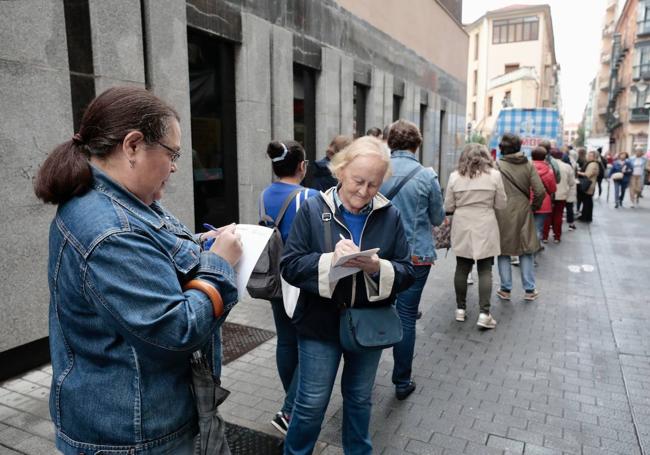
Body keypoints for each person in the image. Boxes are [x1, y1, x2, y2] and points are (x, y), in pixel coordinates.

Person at [34, 87, 242, 454]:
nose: (176, 165)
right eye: (172, 153)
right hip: (136, 436)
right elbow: (174, 332)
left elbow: (155, 256)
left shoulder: (122, 204)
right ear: (132, 146)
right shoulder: (110, 230)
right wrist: (220, 265)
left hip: (142, 421)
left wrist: (202, 248)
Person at [281, 136, 414, 454]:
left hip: (368, 324)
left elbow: (407, 271)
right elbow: (290, 266)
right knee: (311, 404)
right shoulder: (313, 208)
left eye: (373, 184)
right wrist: (330, 262)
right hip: (319, 322)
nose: (364, 191)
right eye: (358, 180)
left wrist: (375, 267)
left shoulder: (390, 214)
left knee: (359, 399)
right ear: (340, 171)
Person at [380, 119, 445, 400]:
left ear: (389, 143)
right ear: (417, 144)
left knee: (374, 310)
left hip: (378, 256)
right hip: (416, 256)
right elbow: (438, 218)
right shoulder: (426, 176)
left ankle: (363, 374)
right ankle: (401, 381)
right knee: (406, 316)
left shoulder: (377, 172)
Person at [260, 140, 319, 434]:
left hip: (274, 277)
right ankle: (290, 409)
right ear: (301, 166)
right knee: (310, 343)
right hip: (301, 279)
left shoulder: (265, 194)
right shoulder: (310, 196)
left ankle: (289, 403)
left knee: (285, 340)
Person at [444, 143, 507, 329]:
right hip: (485, 222)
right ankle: (484, 313)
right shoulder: (494, 176)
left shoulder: (454, 177)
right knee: (485, 269)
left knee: (462, 268)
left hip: (462, 224)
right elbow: (501, 204)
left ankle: (460, 309)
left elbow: (448, 206)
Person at [494, 133, 546, 301]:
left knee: (503, 250)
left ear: (502, 148)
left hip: (501, 211)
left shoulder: (496, 166)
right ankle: (529, 290)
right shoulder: (528, 165)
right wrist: (533, 207)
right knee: (526, 249)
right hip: (524, 211)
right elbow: (540, 191)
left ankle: (505, 289)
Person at [543, 149, 576, 242]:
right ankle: (557, 236)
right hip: (562, 195)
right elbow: (572, 182)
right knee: (558, 216)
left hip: (549, 194)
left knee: (547, 216)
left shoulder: (547, 165)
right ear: (561, 157)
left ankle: (545, 236)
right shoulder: (567, 167)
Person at [531, 147, 557, 243]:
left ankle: (526, 251)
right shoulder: (549, 171)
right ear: (545, 157)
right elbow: (553, 189)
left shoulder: (526, 169)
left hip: (527, 201)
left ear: (532, 156)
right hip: (543, 202)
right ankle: (534, 250)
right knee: (538, 228)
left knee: (526, 228)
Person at [577, 150, 600, 222]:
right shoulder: (593, 163)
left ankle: (585, 217)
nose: (589, 157)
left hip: (589, 185)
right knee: (588, 201)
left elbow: (588, 174)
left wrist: (578, 172)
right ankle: (587, 216)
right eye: (588, 155)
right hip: (590, 184)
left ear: (594, 157)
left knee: (587, 201)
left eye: (591, 156)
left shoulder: (593, 164)